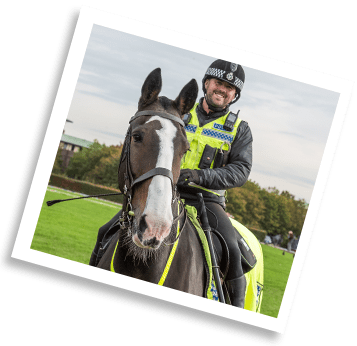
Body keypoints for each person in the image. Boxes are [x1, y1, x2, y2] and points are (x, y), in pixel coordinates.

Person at [90, 59, 253, 308]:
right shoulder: (177, 115)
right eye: (218, 82)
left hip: (207, 201)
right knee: (106, 230)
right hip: (165, 191)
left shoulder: (239, 129)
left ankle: (236, 312)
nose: (222, 89)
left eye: (230, 87)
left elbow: (241, 170)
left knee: (231, 248)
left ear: (235, 95)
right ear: (207, 84)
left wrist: (201, 177)